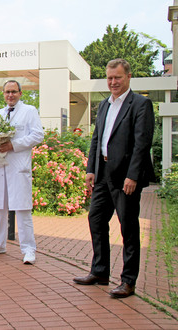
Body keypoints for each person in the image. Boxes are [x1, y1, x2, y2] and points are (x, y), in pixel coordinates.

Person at [73, 59, 155, 298]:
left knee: (128, 227)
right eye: (109, 78)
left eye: (117, 77)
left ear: (128, 77)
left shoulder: (141, 104)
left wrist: (133, 176)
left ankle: (128, 281)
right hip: (103, 174)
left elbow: (142, 144)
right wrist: (91, 169)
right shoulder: (104, 105)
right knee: (96, 219)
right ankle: (100, 271)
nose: (113, 82)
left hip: (126, 177)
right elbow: (97, 140)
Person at [0, 80, 44, 264]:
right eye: (7, 92)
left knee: (23, 209)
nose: (11, 95)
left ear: (20, 93)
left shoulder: (29, 111)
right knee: (0, 208)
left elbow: (38, 135)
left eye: (14, 92)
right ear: (3, 94)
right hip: (0, 165)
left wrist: (13, 145)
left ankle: (29, 249)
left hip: (18, 166)